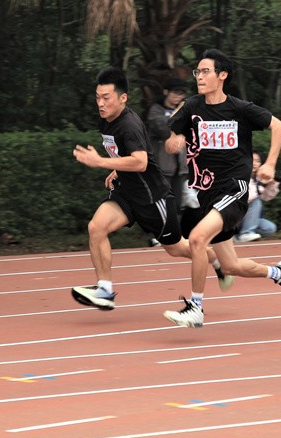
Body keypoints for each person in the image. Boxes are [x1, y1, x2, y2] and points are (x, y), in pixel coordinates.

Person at [162, 48, 281, 328]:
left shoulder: (240, 109)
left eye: (206, 71)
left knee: (197, 239)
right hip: (208, 194)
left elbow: (278, 126)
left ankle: (195, 308)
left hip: (235, 189)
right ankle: (280, 273)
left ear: (222, 75)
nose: (199, 76)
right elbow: (171, 140)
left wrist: (270, 164)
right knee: (231, 266)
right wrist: (174, 142)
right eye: (198, 72)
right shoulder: (191, 107)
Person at [70, 68, 233, 310]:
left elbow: (141, 162)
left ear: (123, 98)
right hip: (127, 193)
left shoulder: (129, 125)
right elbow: (125, 154)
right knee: (96, 227)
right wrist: (117, 169)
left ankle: (215, 259)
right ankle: (104, 290)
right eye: (97, 97)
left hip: (153, 199)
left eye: (106, 98)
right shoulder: (105, 121)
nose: (101, 104)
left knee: (177, 249)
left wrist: (102, 162)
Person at [146, 76, 192, 245]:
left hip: (180, 165)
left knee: (178, 203)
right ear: (166, 92)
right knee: (161, 201)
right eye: (175, 92)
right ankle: (157, 235)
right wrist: (180, 111)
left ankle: (174, 234)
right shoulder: (156, 110)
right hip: (161, 165)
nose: (178, 96)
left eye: (181, 93)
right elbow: (163, 129)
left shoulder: (185, 113)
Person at [235, 151, 280, 243]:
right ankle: (246, 233)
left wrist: (272, 183)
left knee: (270, 228)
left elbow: (267, 197)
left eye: (257, 161)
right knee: (256, 200)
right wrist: (261, 185)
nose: (254, 163)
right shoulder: (238, 176)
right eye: (251, 160)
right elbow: (246, 198)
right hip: (233, 218)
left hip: (246, 219)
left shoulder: (257, 179)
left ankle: (236, 236)